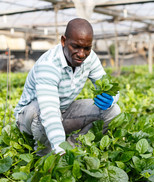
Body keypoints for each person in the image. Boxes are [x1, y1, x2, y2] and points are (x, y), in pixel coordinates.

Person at [14, 18, 121, 156]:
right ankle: (45, 155)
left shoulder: (90, 58)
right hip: (30, 119)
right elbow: (50, 112)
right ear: (63, 41)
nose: (82, 54)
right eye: (75, 47)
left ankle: (72, 150)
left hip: (62, 112)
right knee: (39, 109)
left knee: (113, 110)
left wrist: (112, 97)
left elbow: (109, 86)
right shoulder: (49, 65)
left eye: (87, 48)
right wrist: (59, 148)